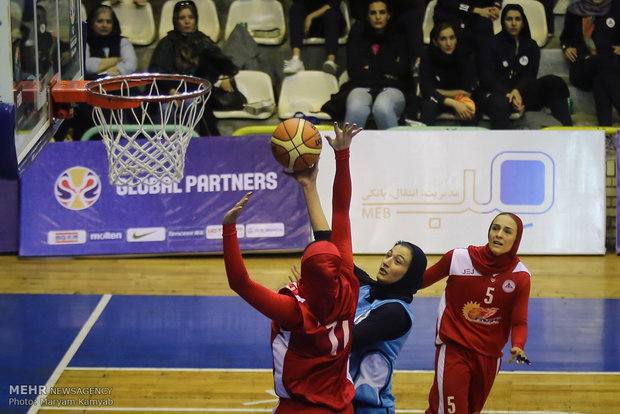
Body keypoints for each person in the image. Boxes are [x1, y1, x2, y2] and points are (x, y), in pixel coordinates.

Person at [222, 122, 361, 413]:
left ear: (305, 275)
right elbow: (340, 213)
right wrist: (338, 159)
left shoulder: (296, 313)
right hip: (343, 408)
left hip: (299, 409)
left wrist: (229, 229)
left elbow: (240, 283)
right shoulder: (348, 285)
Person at [287, 160, 427, 413]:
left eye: (398, 261)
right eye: (388, 255)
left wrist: (308, 299)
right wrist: (309, 187)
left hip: (368, 409)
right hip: (338, 403)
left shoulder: (396, 313)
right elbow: (329, 244)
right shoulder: (363, 289)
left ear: (410, 274)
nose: (387, 262)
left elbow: (340, 341)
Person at [422, 212, 532, 414]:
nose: (499, 234)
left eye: (507, 232)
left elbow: (519, 322)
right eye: (495, 228)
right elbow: (420, 281)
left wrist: (518, 345)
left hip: (489, 357)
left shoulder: (521, 276)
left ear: (517, 240)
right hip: (454, 347)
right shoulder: (458, 258)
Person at [149, 0, 241, 136]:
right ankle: (163, 150)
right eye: (182, 18)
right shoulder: (166, 43)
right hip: (168, 93)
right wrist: (172, 91)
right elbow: (157, 72)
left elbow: (223, 64)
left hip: (197, 94)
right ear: (176, 20)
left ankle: (193, 147)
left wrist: (225, 77)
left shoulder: (203, 42)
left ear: (195, 19)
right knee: (165, 109)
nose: (187, 21)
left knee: (190, 104)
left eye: (190, 17)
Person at [478, 4, 573, 129]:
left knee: (554, 82)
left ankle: (567, 131)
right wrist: (508, 94)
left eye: (517, 19)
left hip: (522, 94)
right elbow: (488, 78)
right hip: (498, 94)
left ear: (523, 23)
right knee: (499, 103)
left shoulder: (531, 46)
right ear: (503, 22)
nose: (513, 23)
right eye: (509, 19)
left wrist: (517, 91)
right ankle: (502, 145)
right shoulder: (491, 44)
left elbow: (530, 76)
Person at [323, 0, 413, 129]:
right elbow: (354, 71)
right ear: (367, 16)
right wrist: (386, 72)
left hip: (393, 88)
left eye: (382, 12)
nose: (378, 17)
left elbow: (402, 69)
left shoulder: (400, 38)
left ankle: (393, 148)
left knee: (382, 108)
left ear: (388, 15)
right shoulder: (357, 35)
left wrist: (370, 67)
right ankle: (347, 148)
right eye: (373, 13)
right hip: (361, 86)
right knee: (355, 108)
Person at [560, 0, 620, 126]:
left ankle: (606, 132)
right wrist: (567, 47)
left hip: (608, 68)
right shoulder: (575, 10)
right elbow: (565, 37)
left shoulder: (616, 6)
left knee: (600, 79)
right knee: (605, 63)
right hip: (582, 67)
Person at [418, 21, 477, 125]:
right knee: (428, 106)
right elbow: (426, 90)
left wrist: (437, 91)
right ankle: (425, 140)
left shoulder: (466, 56)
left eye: (452, 38)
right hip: (438, 101)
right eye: (443, 39)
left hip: (460, 99)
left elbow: (467, 91)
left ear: (456, 39)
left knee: (470, 108)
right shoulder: (427, 55)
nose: (449, 44)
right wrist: (454, 103)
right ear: (435, 42)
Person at [283, 0, 345, 75]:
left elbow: (332, 5)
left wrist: (311, 17)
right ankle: (296, 59)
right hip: (309, 26)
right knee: (296, 8)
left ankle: (331, 61)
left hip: (329, 22)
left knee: (331, 13)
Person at [85, 5, 137, 80]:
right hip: (93, 86)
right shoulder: (85, 42)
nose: (104, 25)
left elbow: (131, 65)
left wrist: (104, 72)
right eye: (100, 21)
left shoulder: (123, 42)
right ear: (92, 23)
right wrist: (116, 60)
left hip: (121, 85)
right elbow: (86, 66)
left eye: (108, 22)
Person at [433, 0, 501, 54]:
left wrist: (496, 6)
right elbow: (451, 4)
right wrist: (476, 10)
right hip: (450, 15)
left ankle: (486, 66)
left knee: (485, 25)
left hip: (473, 15)